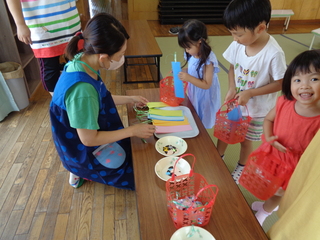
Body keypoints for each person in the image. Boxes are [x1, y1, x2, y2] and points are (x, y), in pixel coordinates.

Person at [49, 13, 155, 190]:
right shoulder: (82, 91)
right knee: (142, 179)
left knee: (131, 150)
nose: (120, 59)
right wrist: (132, 130)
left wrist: (130, 99)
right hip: (83, 145)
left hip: (85, 129)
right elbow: (89, 140)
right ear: (103, 56)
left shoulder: (83, 61)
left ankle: (76, 168)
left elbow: (100, 97)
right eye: (119, 55)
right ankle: (79, 170)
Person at [217, 0, 286, 184]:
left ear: (260, 28)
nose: (234, 38)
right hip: (236, 103)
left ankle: (241, 166)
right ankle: (218, 157)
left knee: (245, 141)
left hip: (257, 110)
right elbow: (232, 66)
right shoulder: (239, 44)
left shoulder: (273, 53)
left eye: (238, 34)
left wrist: (251, 93)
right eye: (232, 33)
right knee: (225, 131)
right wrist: (232, 87)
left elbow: (281, 83)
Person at [251, 50, 320, 226]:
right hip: (273, 156)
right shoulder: (284, 102)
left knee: (278, 193)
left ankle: (265, 213)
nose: (304, 86)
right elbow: (268, 119)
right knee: (267, 184)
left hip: (293, 167)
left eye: (314, 79)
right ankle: (268, 205)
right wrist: (269, 137)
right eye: (297, 80)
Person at [6, 0, 81, 95]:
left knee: (78, 62)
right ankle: (57, 100)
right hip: (42, 27)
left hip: (70, 21)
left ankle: (80, 94)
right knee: (50, 68)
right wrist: (20, 24)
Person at [177, 19, 221, 129]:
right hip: (196, 90)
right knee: (195, 112)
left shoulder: (208, 60)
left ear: (199, 42)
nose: (186, 51)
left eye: (188, 47)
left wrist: (188, 77)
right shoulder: (193, 54)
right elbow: (194, 69)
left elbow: (206, 84)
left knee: (203, 115)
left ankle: (202, 135)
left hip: (205, 94)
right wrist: (184, 71)